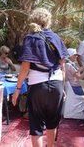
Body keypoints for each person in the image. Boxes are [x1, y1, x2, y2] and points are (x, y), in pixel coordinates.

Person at [12, 8, 68, 147]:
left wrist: (17, 90)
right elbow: (63, 66)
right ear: (48, 20)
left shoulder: (30, 38)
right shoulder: (56, 37)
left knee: (36, 123)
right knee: (52, 121)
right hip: (56, 83)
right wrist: (63, 87)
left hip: (38, 85)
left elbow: (25, 67)